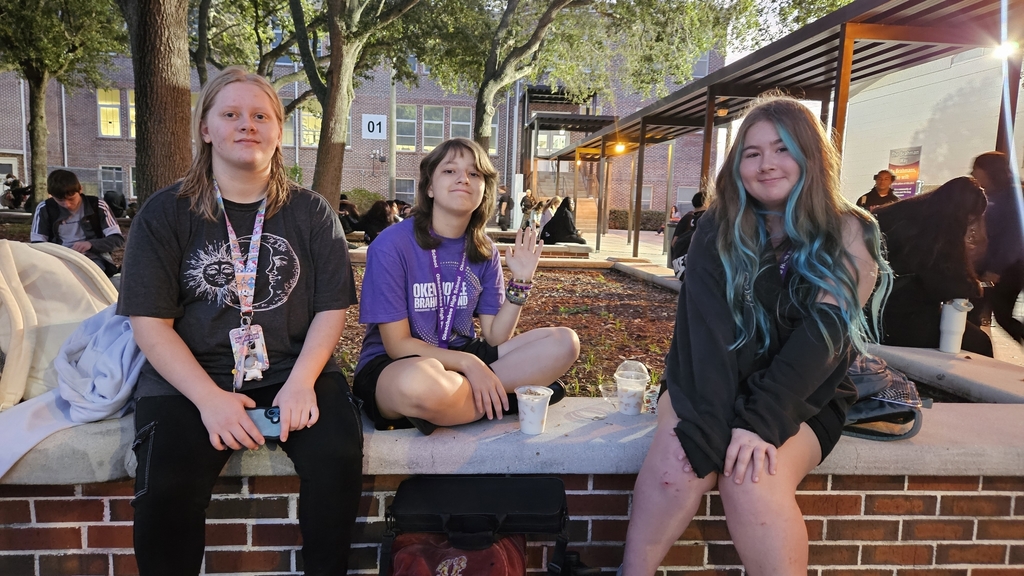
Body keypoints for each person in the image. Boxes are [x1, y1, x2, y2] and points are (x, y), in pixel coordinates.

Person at [622, 95, 888, 576]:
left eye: (782, 148)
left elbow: (822, 341)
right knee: (678, 464)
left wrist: (760, 421)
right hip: (703, 379)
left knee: (750, 479)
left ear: (809, 154)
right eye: (752, 152)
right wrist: (710, 426)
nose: (767, 164)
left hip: (802, 394)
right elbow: (706, 335)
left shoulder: (850, 232)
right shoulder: (712, 229)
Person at [116, 66, 363, 576]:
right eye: (230, 114)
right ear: (206, 128)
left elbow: (330, 309)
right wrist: (210, 401)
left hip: (295, 370)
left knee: (337, 456)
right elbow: (150, 324)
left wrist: (300, 386)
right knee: (166, 487)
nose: (246, 125)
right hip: (190, 379)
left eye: (260, 116)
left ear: (278, 131)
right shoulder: (165, 214)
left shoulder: (313, 213)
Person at [353, 138, 580, 436]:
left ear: (484, 189)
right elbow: (397, 345)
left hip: (462, 356)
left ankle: (458, 404)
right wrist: (470, 364)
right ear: (430, 188)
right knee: (421, 384)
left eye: (475, 174)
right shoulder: (391, 245)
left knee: (565, 342)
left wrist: (521, 281)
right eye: (450, 171)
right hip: (398, 364)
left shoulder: (483, 250)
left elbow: (496, 336)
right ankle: (505, 400)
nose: (464, 178)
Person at [874, 177, 993, 356]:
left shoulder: (900, 212)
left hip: (869, 309)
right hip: (900, 318)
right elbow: (952, 287)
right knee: (980, 343)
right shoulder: (942, 232)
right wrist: (973, 278)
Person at [30, 169, 125, 277]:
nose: (67, 205)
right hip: (58, 260)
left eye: (71, 199)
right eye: (60, 201)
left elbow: (117, 239)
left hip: (92, 259)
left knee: (87, 277)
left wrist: (90, 244)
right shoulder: (45, 208)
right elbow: (37, 245)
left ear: (80, 189)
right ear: (51, 195)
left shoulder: (97, 206)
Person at [971, 151, 1024, 342]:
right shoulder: (990, 195)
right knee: (974, 313)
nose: (973, 174)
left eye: (976, 169)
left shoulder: (1012, 196)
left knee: (1001, 316)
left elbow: (1015, 237)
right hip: (989, 266)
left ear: (988, 171)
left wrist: (996, 268)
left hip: (1008, 269)